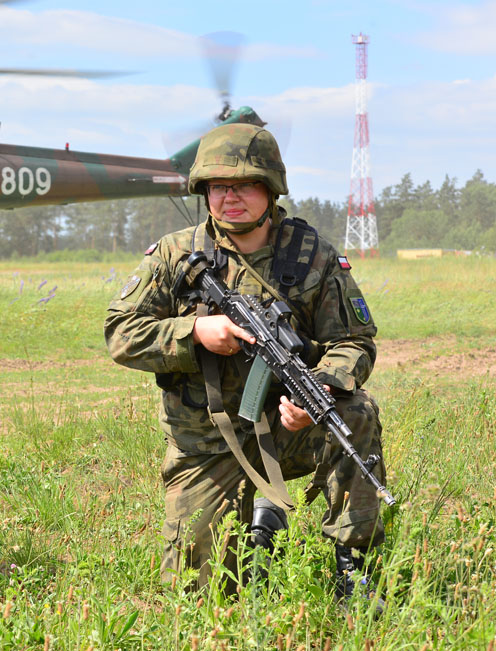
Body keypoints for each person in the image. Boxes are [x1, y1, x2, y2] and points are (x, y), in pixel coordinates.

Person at [105, 124, 386, 601]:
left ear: (271, 188)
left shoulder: (312, 255)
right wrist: (194, 333)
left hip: (288, 430)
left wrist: (319, 388)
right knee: (199, 596)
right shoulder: (176, 254)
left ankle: (353, 567)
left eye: (245, 185)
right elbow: (120, 334)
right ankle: (265, 521)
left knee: (355, 411)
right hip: (207, 443)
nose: (229, 197)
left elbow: (354, 341)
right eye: (218, 186)